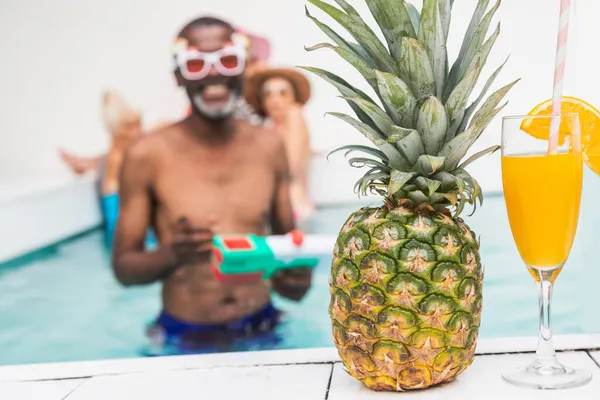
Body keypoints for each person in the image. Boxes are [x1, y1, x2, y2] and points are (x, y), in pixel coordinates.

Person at [111, 16, 313, 354]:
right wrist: (174, 253)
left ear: (243, 67)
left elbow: (286, 250)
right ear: (178, 75)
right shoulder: (147, 154)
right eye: (196, 65)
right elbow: (124, 267)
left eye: (227, 60)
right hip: (184, 333)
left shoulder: (269, 147)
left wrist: (295, 278)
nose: (213, 74)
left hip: (265, 323)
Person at [244, 68, 315, 220]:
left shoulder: (294, 114)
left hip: (294, 208)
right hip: (281, 209)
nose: (275, 100)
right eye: (268, 94)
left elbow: (290, 165)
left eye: (283, 93)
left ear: (293, 98)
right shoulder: (270, 127)